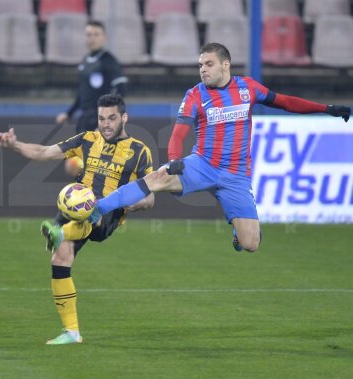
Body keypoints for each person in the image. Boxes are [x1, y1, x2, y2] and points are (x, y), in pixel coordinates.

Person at [86, 43, 351, 253]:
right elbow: (179, 132)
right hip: (203, 165)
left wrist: (326, 109)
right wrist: (175, 159)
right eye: (200, 64)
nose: (203, 69)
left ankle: (239, 233)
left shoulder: (248, 88)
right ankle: (99, 207)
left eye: (209, 64)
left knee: (251, 244)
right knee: (157, 177)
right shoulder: (195, 94)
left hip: (236, 175)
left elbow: (285, 102)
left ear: (226, 65)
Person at [0, 94, 154, 345]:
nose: (106, 124)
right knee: (60, 258)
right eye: (101, 118)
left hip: (108, 211)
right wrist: (14, 145)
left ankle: (63, 233)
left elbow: (150, 197)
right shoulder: (87, 139)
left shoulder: (140, 151)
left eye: (112, 118)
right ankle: (72, 332)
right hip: (78, 203)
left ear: (124, 118)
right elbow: (44, 152)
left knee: (89, 213)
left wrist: (133, 204)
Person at [56, 20, 127, 134]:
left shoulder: (109, 61)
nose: (92, 38)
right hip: (85, 118)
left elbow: (121, 89)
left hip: (100, 119)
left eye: (96, 34)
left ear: (104, 37)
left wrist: (107, 121)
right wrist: (69, 113)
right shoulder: (85, 60)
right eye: (89, 35)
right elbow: (82, 93)